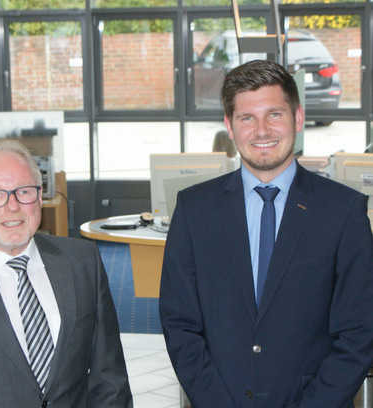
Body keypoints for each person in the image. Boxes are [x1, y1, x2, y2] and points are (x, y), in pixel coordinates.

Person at [159, 59, 373, 408]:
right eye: (247, 118)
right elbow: (180, 324)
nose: (262, 131)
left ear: (298, 118)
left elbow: (359, 332)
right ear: (229, 125)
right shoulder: (194, 210)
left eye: (274, 114)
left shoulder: (344, 211)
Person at [0, 139, 133, 408]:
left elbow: (110, 378)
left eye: (24, 191)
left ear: (40, 196)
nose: (13, 206)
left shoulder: (83, 262)